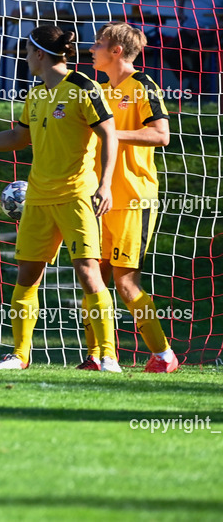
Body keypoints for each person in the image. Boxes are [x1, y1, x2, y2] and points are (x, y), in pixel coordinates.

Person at [0, 26, 121, 372]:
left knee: (89, 274)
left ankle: (107, 356)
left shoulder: (83, 88)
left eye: (27, 53)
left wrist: (104, 185)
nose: (25, 59)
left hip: (77, 196)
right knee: (27, 276)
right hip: (38, 199)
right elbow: (18, 137)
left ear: (40, 54)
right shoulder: (36, 94)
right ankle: (19, 356)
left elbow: (110, 135)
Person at [85, 22, 177, 372]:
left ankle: (164, 354)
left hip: (134, 198)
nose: (92, 49)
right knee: (94, 274)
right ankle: (98, 356)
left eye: (98, 42)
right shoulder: (98, 90)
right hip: (100, 197)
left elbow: (161, 135)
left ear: (116, 51)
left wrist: (111, 133)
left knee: (125, 281)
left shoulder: (143, 86)